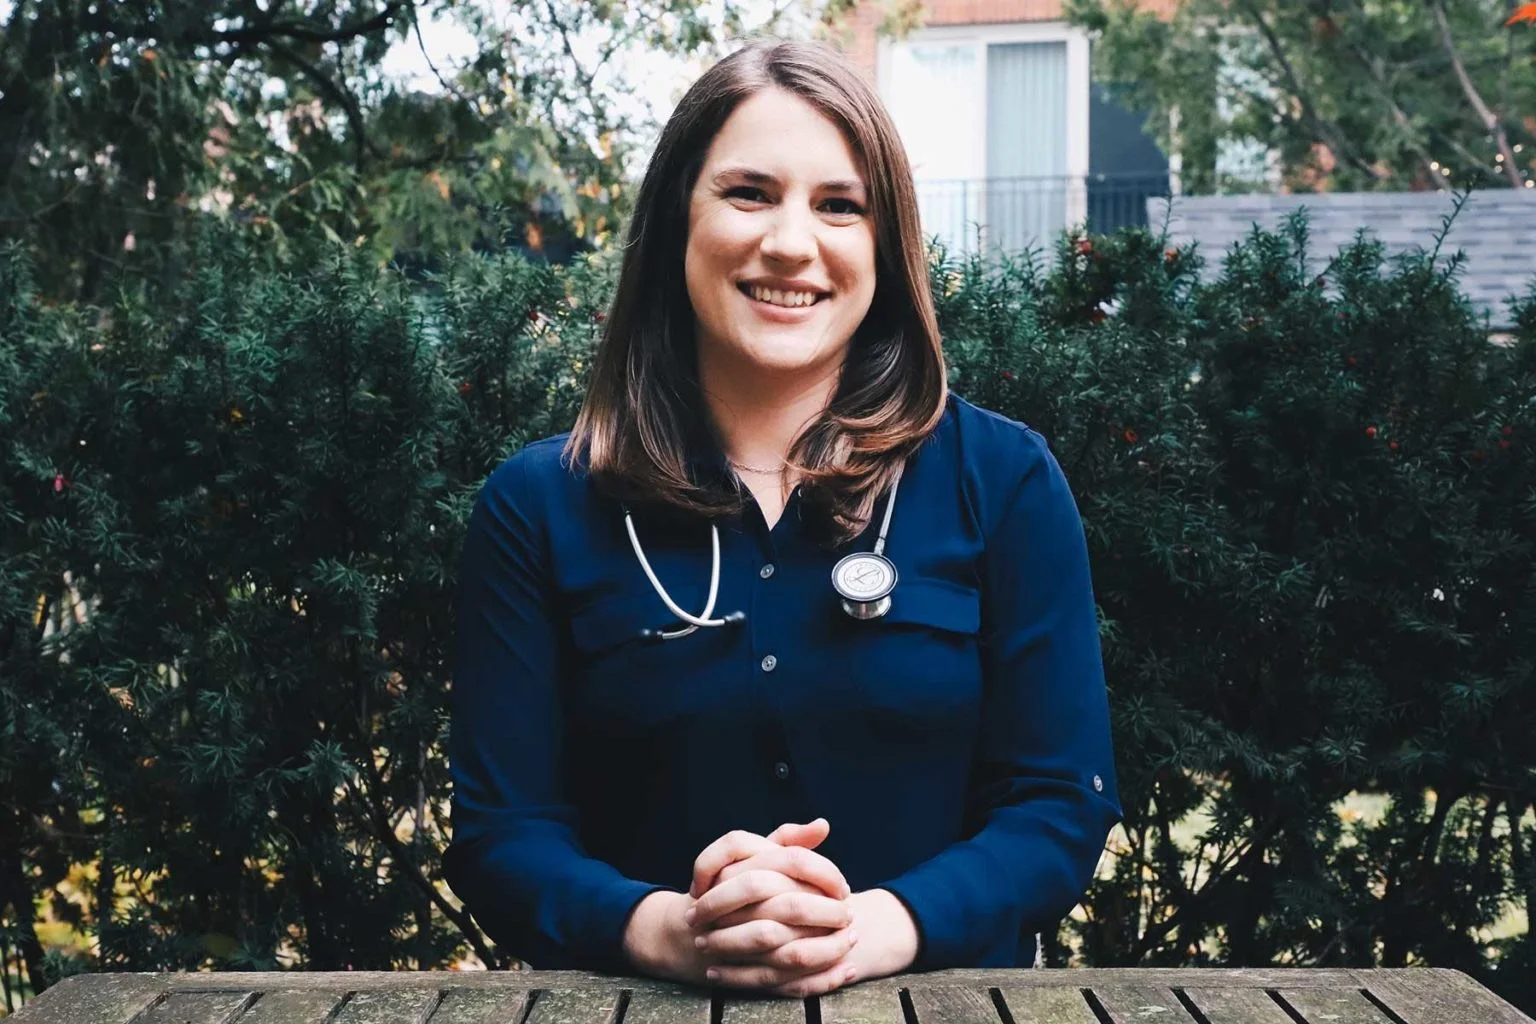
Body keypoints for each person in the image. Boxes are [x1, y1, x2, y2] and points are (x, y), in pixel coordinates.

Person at [444, 37, 1122, 997]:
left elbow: (1059, 805)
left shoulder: (1004, 480)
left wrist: (870, 930)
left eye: (839, 205)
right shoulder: (538, 506)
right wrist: (667, 930)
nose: (792, 244)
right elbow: (501, 835)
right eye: (749, 193)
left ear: (884, 246)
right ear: (679, 216)